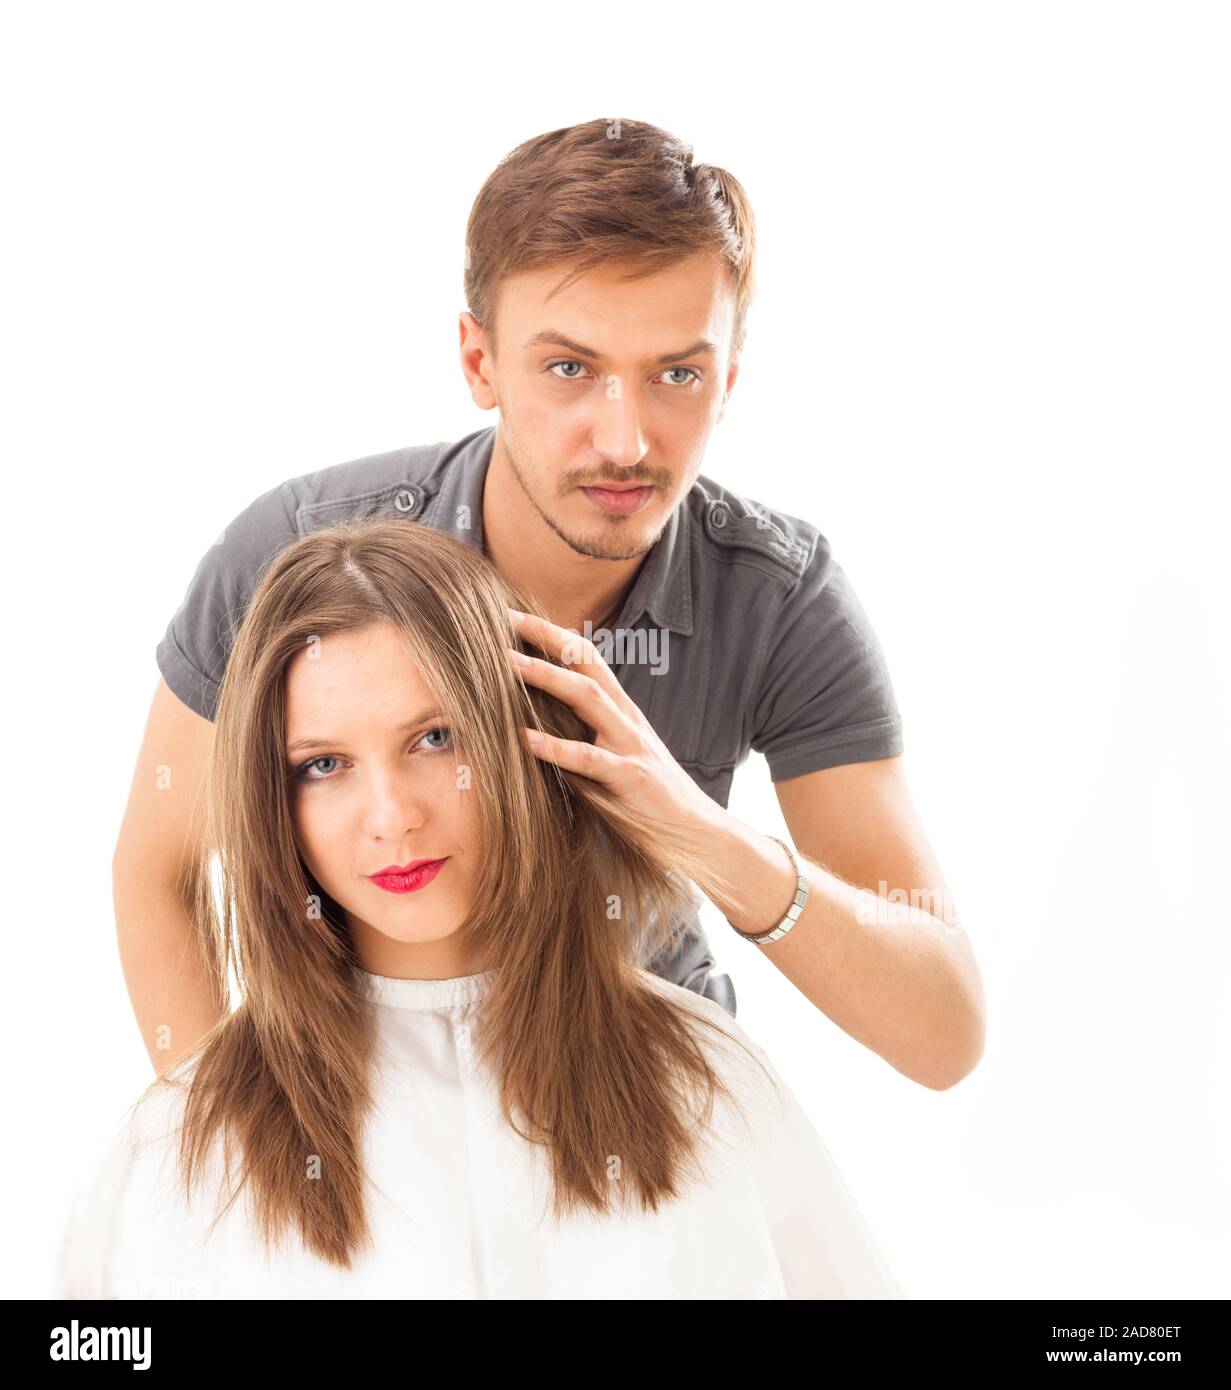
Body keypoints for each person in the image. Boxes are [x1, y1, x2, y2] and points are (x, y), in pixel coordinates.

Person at [116, 114, 984, 1089]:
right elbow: (160, 872)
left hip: (644, 1106)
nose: (624, 439)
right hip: (363, 1106)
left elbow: (942, 1031)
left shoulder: (776, 598)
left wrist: (701, 834)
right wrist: (220, 1150)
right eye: (570, 368)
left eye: (677, 375)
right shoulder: (289, 555)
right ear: (479, 361)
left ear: (729, 377)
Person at [56, 520, 903, 1299]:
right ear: (270, 800)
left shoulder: (708, 1081)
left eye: (435, 739)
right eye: (323, 765)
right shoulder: (176, 1148)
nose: (392, 816)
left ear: (524, 740)